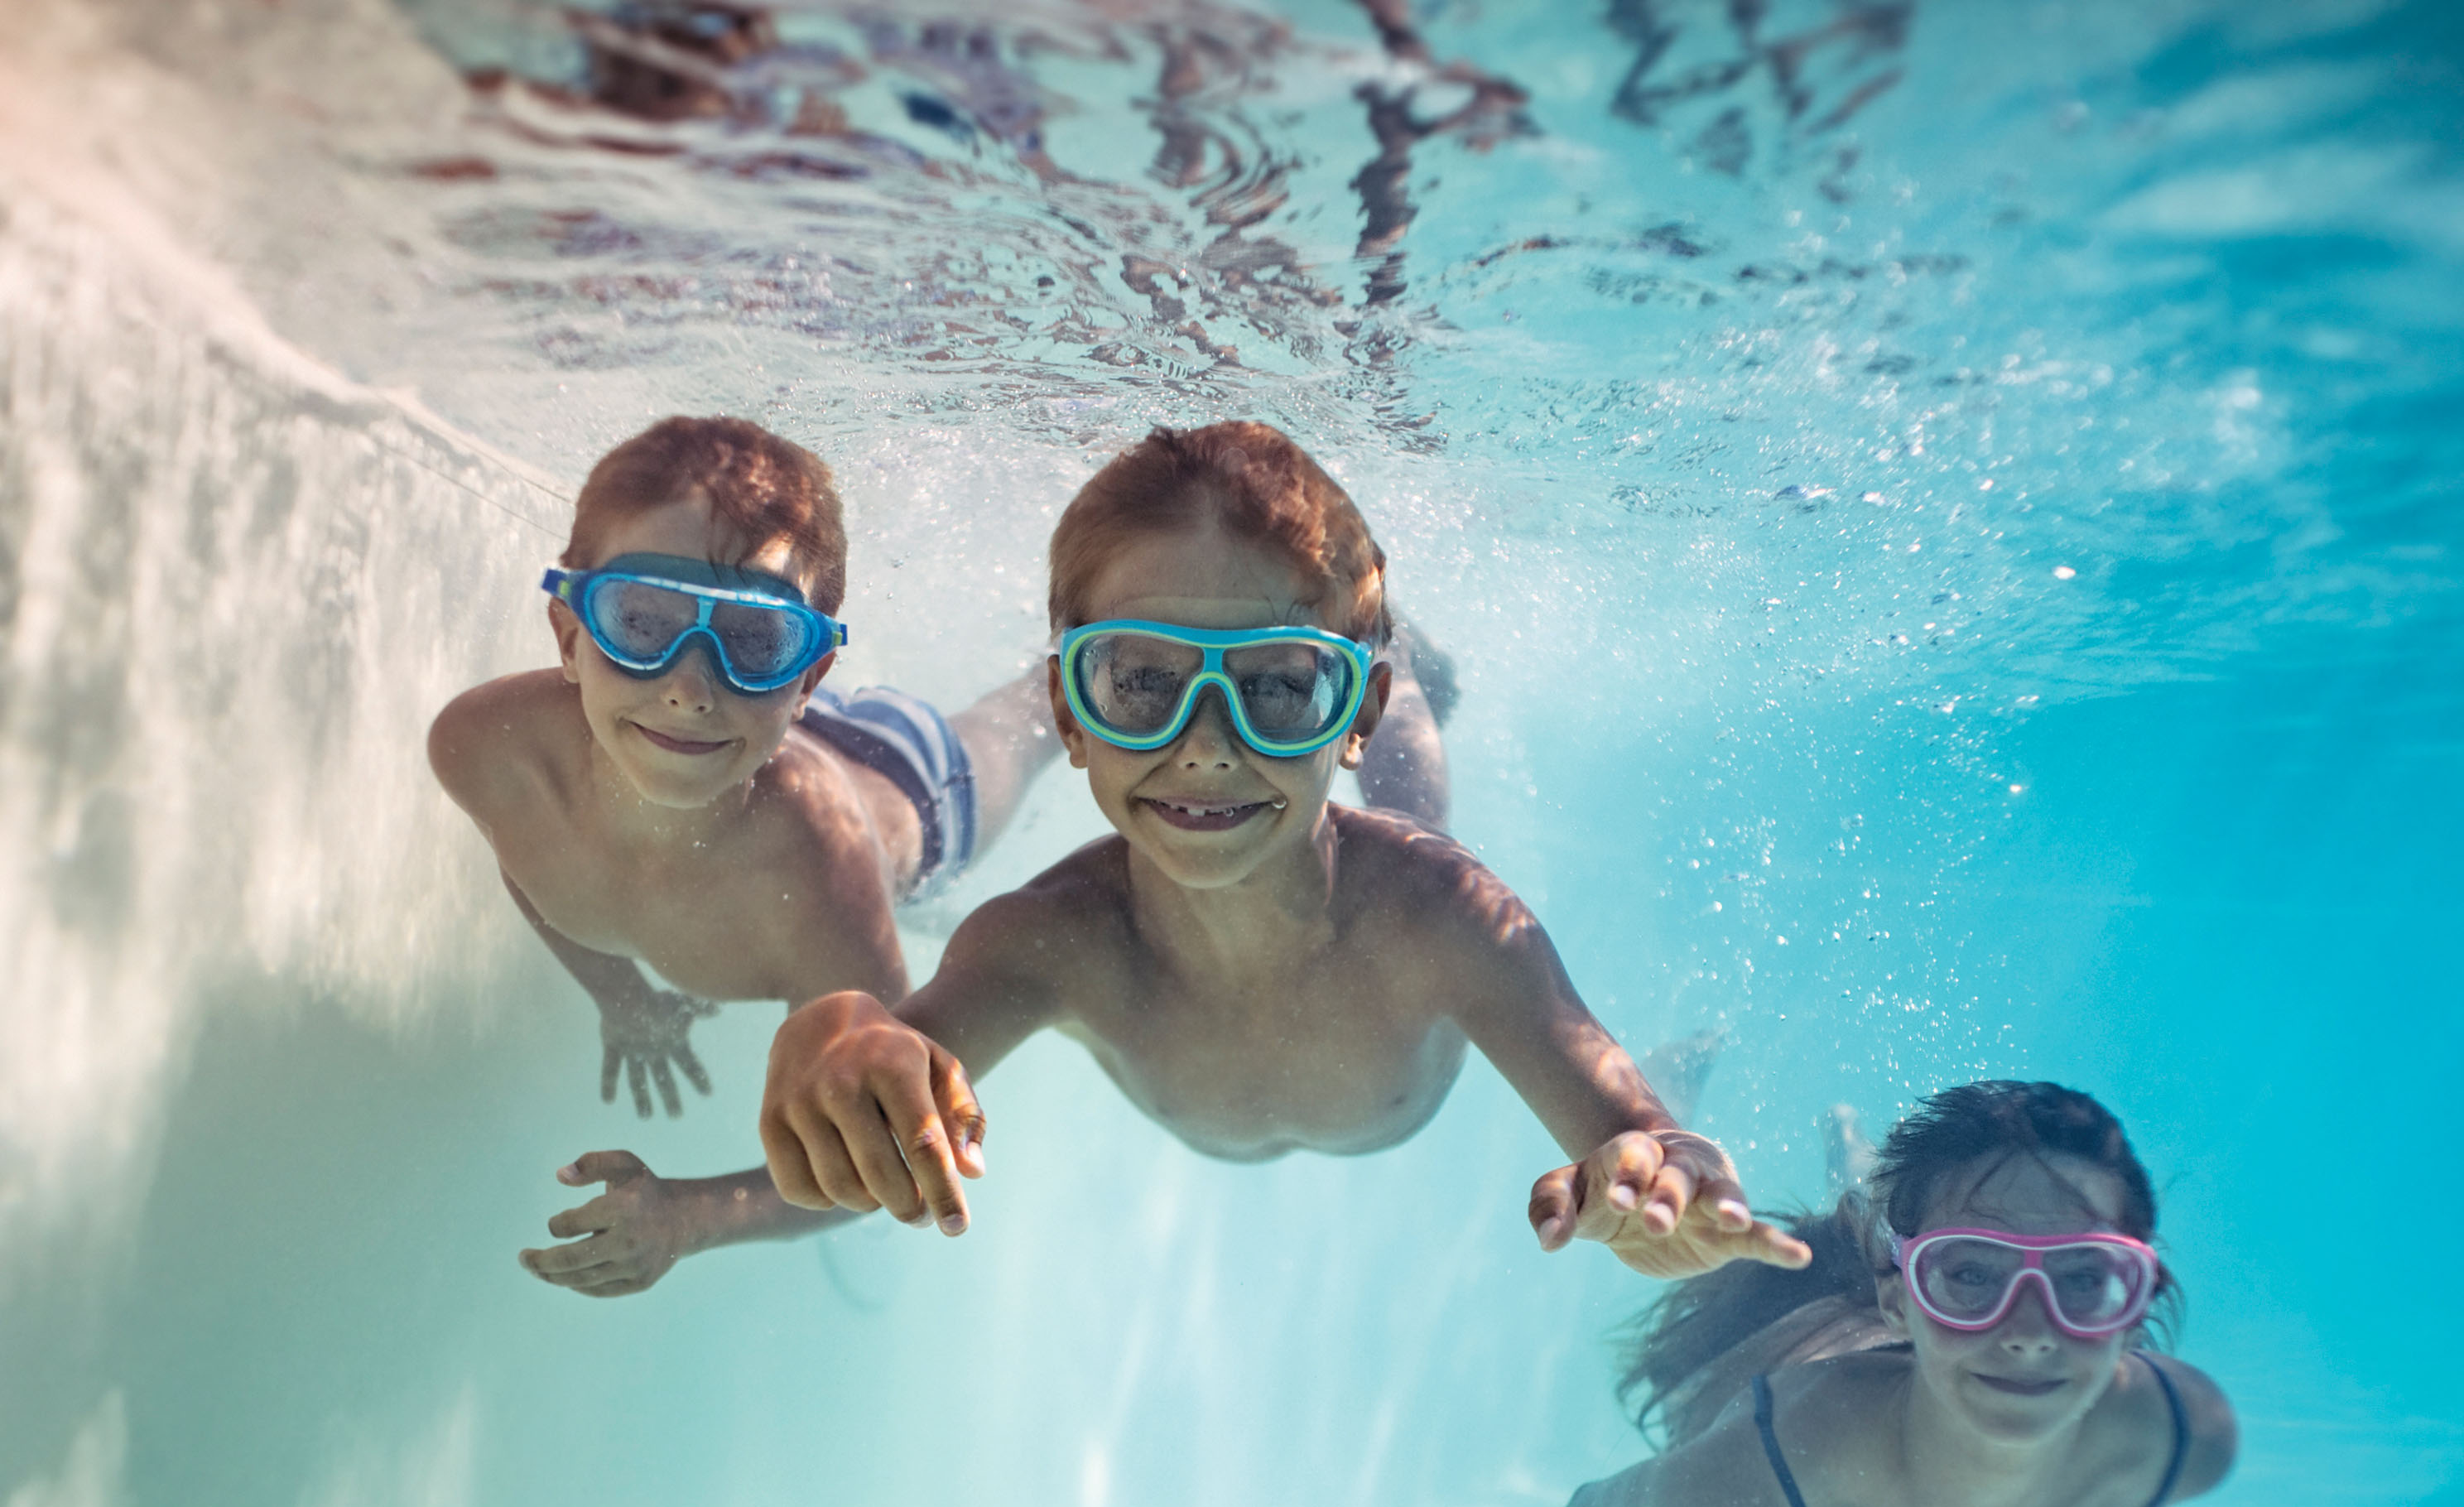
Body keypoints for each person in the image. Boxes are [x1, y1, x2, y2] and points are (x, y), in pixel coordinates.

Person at [752, 421, 1809, 1282]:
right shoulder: (1046, 941)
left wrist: (1671, 1187)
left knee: (1415, 822)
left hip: (1392, 860)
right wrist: (835, 1037)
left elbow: (1640, 1133)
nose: (1206, 746)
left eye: (1279, 685)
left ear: (1352, 719)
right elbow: (873, 1094)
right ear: (1070, 716)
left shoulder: (1446, 918)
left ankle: (1405, 679)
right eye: (1141, 682)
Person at [427, 416, 1056, 1294]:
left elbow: (878, 1159)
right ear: (571, 637)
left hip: (911, 784)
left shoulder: (820, 878)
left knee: (1020, 727)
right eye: (642, 621)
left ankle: (1066, 670)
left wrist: (689, 1217)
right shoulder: (489, 748)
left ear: (808, 681)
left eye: (756, 639)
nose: (689, 686)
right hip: (759, 741)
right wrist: (621, 998)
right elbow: (527, 857)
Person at [1517, 1081, 2237, 1507]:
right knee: (1803, 1244)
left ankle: (1873, 1181)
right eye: (1973, 1271)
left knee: (1879, 1226)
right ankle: (1809, 1162)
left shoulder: (2180, 1442)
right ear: (1901, 1301)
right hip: (1790, 1329)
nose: (2028, 1330)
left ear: (2136, 1299)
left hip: (1905, 1318)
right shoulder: (1759, 1492)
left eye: (2083, 1276)